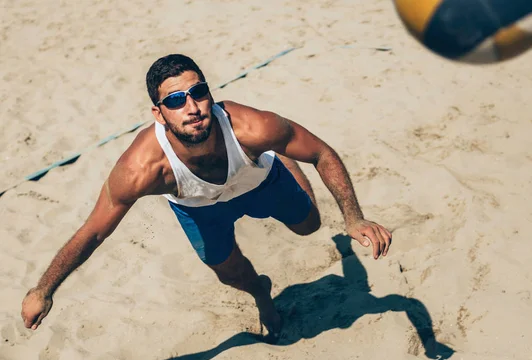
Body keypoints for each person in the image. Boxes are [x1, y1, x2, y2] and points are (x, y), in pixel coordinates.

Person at [20, 54, 392, 341]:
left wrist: (354, 218)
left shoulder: (252, 128)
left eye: (198, 93)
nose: (192, 107)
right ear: (158, 113)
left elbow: (322, 154)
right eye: (176, 100)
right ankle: (263, 295)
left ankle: (282, 159)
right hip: (198, 206)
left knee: (310, 225)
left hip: (257, 179)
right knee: (229, 274)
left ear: (209, 93)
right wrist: (43, 290)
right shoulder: (143, 169)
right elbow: (94, 232)